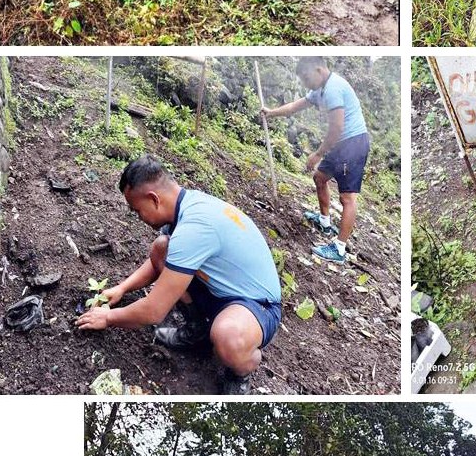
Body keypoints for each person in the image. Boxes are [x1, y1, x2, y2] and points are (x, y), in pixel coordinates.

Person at [74, 155, 282, 396]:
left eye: (137, 210)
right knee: (162, 247)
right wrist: (122, 288)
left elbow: (154, 311)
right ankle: (198, 329)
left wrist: (108, 318)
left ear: (153, 199)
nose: (138, 217)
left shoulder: (195, 227)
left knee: (228, 337)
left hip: (257, 305)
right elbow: (162, 262)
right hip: (220, 289)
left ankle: (242, 368)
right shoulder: (185, 206)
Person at [261, 56, 372, 264]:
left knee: (347, 198)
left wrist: (318, 154)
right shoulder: (319, 90)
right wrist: (271, 113)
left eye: (305, 77)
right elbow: (296, 106)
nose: (304, 82)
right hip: (340, 143)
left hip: (352, 143)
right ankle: (324, 221)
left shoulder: (332, 89)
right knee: (320, 178)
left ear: (319, 70)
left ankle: (339, 249)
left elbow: (337, 127)